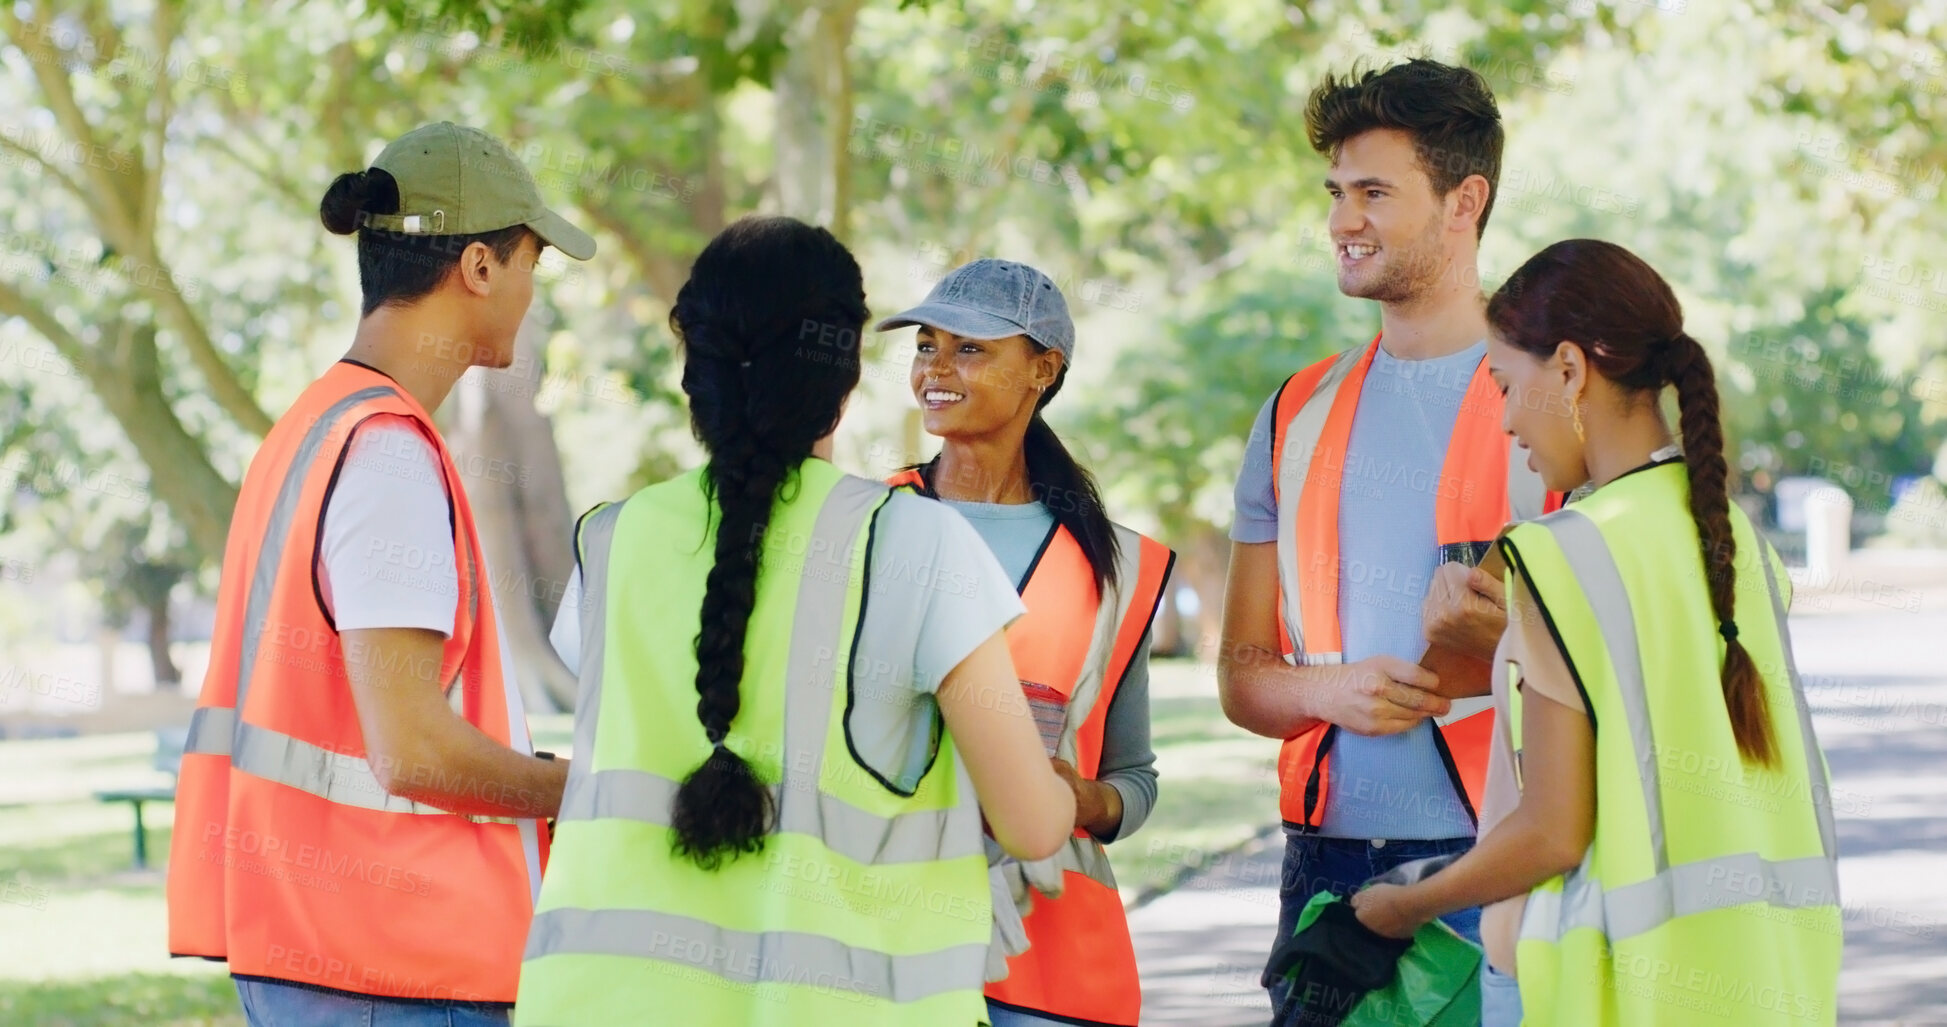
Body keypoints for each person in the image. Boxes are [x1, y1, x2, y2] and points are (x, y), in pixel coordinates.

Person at [515, 217, 1076, 1026]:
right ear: (844, 374)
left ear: (695, 371)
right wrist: (1062, 789)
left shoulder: (609, 537)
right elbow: (1030, 824)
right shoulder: (914, 541)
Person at [1350, 239, 1842, 1025]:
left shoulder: (1561, 550)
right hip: (1770, 976)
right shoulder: (1734, 541)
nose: (1507, 420)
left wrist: (1400, 905)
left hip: (1611, 990)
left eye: (1507, 385)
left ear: (1572, 369)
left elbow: (1550, 831)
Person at [167, 122, 595, 1024]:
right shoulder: (387, 452)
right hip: (392, 968)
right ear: (479, 266)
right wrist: (594, 790)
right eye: (530, 264)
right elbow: (411, 748)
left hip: (327, 953)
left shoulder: (316, 426)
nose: (531, 293)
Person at [1213, 58, 1562, 1012]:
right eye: (1334, 193)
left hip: (1504, 855)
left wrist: (1505, 652)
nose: (1340, 221)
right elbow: (1242, 675)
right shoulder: (1293, 412)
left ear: (1465, 201)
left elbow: (1632, 662)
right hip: (1325, 873)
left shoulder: (1557, 400)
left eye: (1373, 192)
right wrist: (1330, 688)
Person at [876, 259, 1177, 1027]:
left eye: (969, 349)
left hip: (1054, 967)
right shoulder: (863, 524)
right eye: (925, 345)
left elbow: (1132, 778)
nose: (935, 370)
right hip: (887, 949)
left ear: (1043, 370)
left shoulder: (1121, 565)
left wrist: (1081, 800)